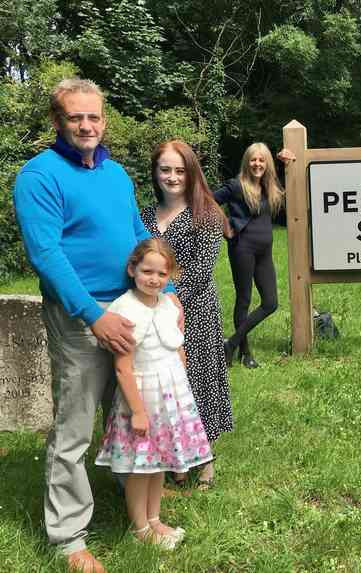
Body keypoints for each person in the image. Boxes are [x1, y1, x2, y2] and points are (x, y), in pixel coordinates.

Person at [13, 78, 180, 573]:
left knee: (132, 413)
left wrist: (165, 296)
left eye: (94, 117)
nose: (86, 125)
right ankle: (69, 538)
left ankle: (140, 517)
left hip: (135, 307)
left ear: (104, 120)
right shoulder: (39, 176)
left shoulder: (115, 173)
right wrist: (94, 314)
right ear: (57, 121)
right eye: (74, 117)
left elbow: (136, 234)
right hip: (81, 316)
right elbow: (46, 253)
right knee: (75, 427)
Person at [94, 238, 212, 549]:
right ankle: (139, 528)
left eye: (162, 274)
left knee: (160, 462)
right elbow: (123, 368)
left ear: (170, 275)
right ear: (132, 269)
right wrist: (138, 410)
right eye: (148, 271)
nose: (154, 279)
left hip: (170, 397)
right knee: (140, 467)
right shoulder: (125, 310)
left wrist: (182, 389)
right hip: (143, 398)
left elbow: (177, 348)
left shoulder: (168, 305)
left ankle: (155, 519)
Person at [140, 139, 233, 487]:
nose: (172, 176)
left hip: (195, 312)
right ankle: (175, 459)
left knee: (197, 383)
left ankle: (205, 461)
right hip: (150, 314)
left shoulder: (207, 214)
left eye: (180, 170)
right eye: (165, 169)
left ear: (192, 173)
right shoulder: (144, 215)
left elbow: (200, 270)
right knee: (164, 388)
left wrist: (165, 295)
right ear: (155, 172)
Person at [215, 142, 293, 368]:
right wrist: (225, 225)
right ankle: (245, 353)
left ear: (266, 163)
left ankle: (230, 344)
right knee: (244, 299)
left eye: (262, 160)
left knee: (270, 303)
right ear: (246, 162)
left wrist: (289, 164)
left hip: (264, 252)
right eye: (253, 159)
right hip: (242, 248)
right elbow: (208, 200)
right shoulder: (236, 186)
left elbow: (293, 190)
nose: (257, 164)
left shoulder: (270, 186)